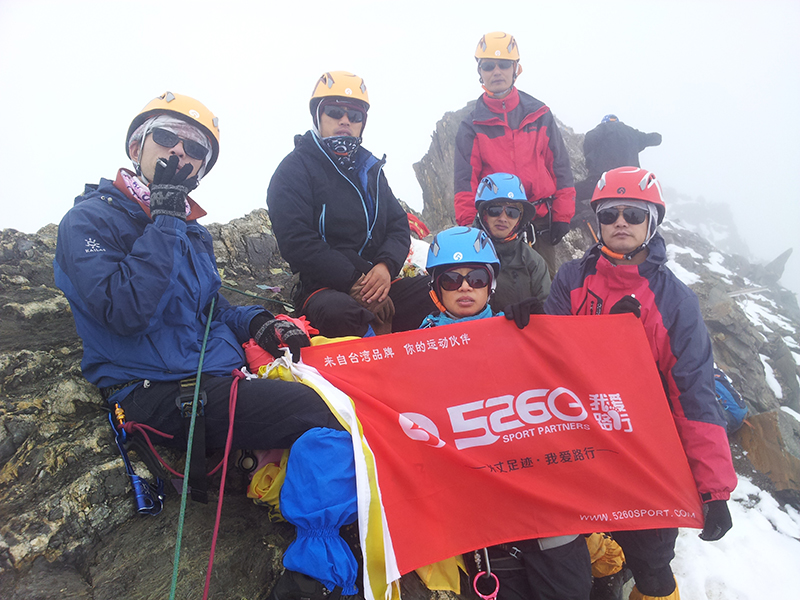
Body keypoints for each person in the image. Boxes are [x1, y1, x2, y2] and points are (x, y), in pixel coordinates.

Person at [53, 91, 361, 600]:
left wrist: (261, 321)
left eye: (196, 149)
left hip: (216, 377)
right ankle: (313, 575)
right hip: (160, 389)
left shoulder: (191, 233)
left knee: (351, 388)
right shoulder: (90, 221)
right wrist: (168, 220)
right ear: (137, 145)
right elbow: (124, 311)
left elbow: (209, 308)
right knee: (325, 413)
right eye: (167, 137)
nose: (181, 153)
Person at [507, 167, 736, 600]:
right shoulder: (573, 279)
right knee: (576, 538)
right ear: (596, 222)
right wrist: (527, 324)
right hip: (581, 441)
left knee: (652, 566)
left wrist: (714, 486)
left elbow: (693, 394)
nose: (620, 223)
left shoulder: (675, 301)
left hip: (647, 453)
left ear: (652, 221)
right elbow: (550, 361)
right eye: (610, 214)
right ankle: (604, 568)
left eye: (633, 214)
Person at [422, 226, 592, 600]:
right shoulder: (414, 351)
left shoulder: (522, 331)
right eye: (451, 279)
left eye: (477, 277)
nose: (465, 287)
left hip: (546, 504)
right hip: (487, 520)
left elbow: (578, 383)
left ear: (491, 284)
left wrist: (546, 330)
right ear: (436, 288)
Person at [267, 71, 434, 338]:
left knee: (439, 292)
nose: (345, 120)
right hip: (323, 287)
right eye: (334, 111)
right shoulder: (293, 169)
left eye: (355, 115)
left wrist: (384, 267)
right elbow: (296, 240)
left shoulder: (372, 170)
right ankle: (375, 368)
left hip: (379, 281)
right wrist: (356, 281)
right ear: (318, 116)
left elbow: (397, 225)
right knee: (341, 313)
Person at [454, 31, 576, 279]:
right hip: (496, 224)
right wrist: (469, 226)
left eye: (504, 64)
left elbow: (560, 167)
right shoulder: (471, 126)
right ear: (480, 72)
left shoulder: (540, 114)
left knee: (544, 297)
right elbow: (465, 180)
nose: (496, 71)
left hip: (540, 225)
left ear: (516, 68)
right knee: (497, 294)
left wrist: (563, 215)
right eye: (488, 65)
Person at [472, 172, 550, 312]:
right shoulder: (465, 252)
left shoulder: (532, 261)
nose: (503, 218)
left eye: (512, 212)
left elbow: (548, 309)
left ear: (519, 219)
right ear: (483, 213)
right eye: (495, 210)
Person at [575, 115, 662, 202]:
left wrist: (589, 162)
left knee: (570, 192)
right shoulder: (632, 133)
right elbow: (656, 138)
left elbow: (590, 138)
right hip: (631, 181)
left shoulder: (604, 127)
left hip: (603, 179)